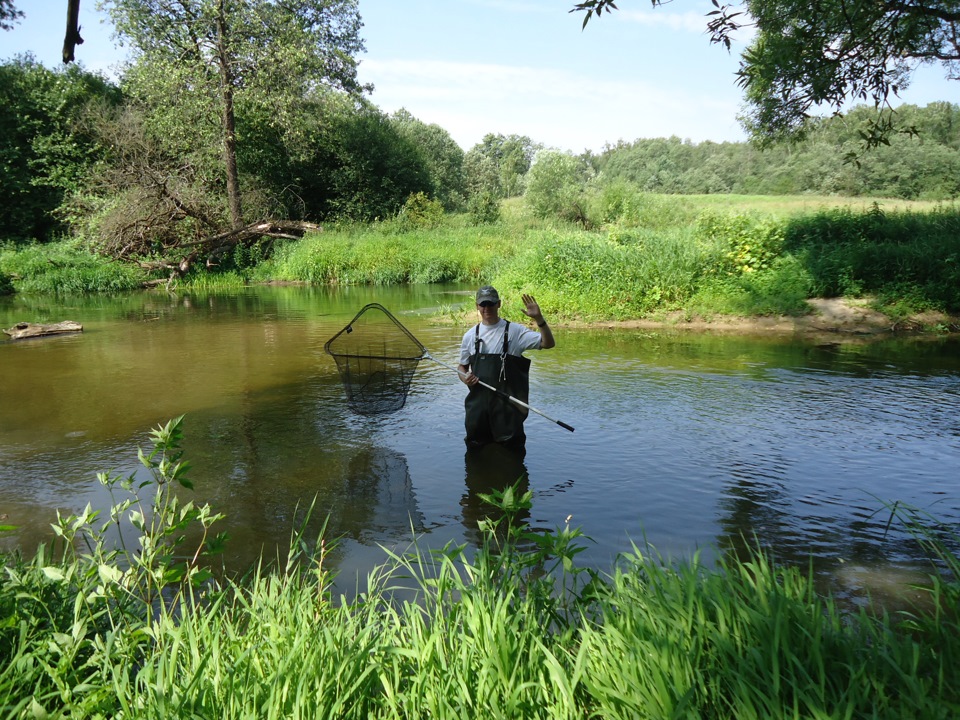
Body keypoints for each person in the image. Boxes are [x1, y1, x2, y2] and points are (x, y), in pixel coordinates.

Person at [457, 285, 555, 451]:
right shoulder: (469, 336)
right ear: (477, 306)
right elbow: (462, 366)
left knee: (512, 453)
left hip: (508, 410)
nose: (487, 308)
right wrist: (465, 377)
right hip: (478, 409)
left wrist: (539, 319)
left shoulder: (515, 332)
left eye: (491, 303)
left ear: (499, 304)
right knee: (475, 452)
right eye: (483, 304)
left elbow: (548, 343)